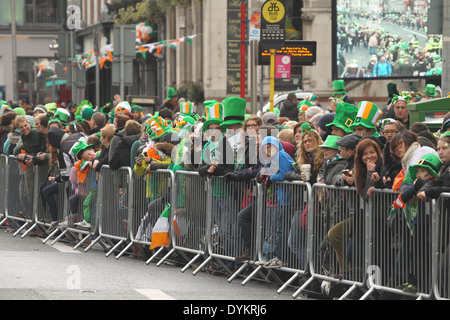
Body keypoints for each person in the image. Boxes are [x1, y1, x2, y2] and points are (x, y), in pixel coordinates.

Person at [256, 135, 294, 268]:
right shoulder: (271, 159)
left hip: (282, 199)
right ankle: (268, 255)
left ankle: (276, 256)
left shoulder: (281, 156)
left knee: (278, 230)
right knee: (270, 229)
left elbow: (283, 175)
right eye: (265, 148)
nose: (268, 150)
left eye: (270, 147)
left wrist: (268, 175)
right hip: (273, 199)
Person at [43, 127, 87, 234]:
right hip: (92, 173)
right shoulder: (79, 134)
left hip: (82, 179)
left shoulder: (63, 150)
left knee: (73, 195)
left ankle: (74, 221)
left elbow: (66, 176)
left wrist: (56, 178)